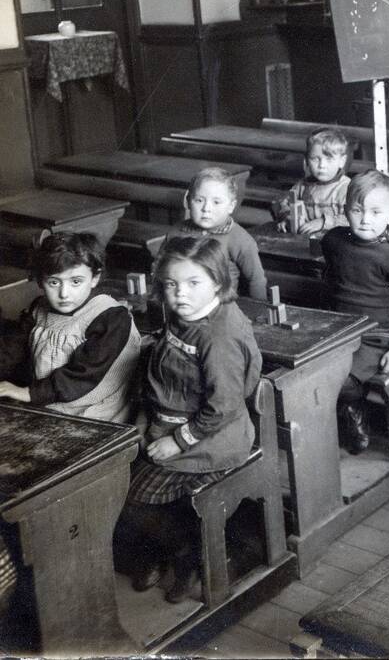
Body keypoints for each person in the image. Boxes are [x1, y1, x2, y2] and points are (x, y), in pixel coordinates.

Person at [115, 236, 262, 603]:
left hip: (212, 441)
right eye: (171, 284)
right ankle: (166, 552)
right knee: (115, 482)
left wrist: (178, 440)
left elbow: (223, 406)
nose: (180, 293)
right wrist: (144, 421)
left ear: (218, 282)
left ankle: (184, 554)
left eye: (193, 283)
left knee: (130, 498)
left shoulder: (219, 335)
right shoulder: (184, 315)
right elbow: (163, 380)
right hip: (169, 426)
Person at [322, 170, 389, 454]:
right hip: (339, 330)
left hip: (377, 337)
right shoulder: (334, 241)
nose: (365, 219)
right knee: (312, 372)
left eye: (376, 212)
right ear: (345, 211)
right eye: (357, 210)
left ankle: (354, 410)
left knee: (340, 380)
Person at [0, 232, 140, 423]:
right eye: (54, 282)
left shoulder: (111, 317)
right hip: (48, 402)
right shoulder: (38, 309)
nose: (64, 294)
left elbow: (85, 374)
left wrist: (29, 393)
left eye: (76, 282)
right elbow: (12, 351)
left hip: (95, 412)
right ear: (40, 281)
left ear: (94, 278)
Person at [174, 167, 268, 300]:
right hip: (181, 302)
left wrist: (259, 309)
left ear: (231, 206)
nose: (206, 208)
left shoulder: (240, 239)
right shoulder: (176, 232)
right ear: (188, 201)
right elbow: (160, 269)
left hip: (222, 307)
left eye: (216, 202)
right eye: (199, 200)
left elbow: (256, 280)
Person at [273, 128, 351, 234]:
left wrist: (323, 222)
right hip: (304, 239)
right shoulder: (302, 186)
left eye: (329, 159)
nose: (322, 165)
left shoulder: (347, 188)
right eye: (315, 159)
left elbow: (354, 217)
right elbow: (283, 203)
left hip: (335, 239)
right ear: (307, 161)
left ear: (342, 161)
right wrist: (287, 219)